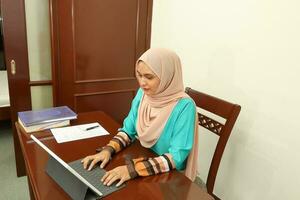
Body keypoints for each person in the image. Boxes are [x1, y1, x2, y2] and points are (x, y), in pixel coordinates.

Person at [81, 48, 199, 187]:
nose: (142, 82)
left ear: (168, 76)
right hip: (146, 161)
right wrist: (108, 150)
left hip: (169, 176)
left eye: (149, 77)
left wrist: (132, 169)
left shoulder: (185, 107)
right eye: (139, 75)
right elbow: (128, 131)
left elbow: (176, 157)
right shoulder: (143, 94)